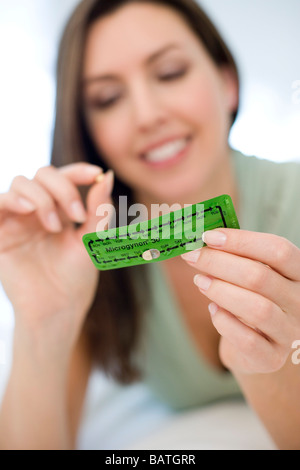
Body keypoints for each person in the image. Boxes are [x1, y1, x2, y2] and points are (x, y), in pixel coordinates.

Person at [0, 0, 300, 450]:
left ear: (227, 83)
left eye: (170, 72)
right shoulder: (83, 254)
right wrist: (42, 322)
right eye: (108, 99)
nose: (147, 115)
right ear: (89, 130)